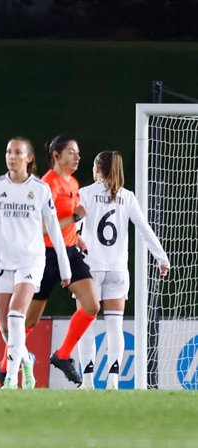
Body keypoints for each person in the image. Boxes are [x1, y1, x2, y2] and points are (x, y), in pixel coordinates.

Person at [0, 138, 71, 389]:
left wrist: (64, 266)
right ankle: (26, 359)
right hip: (0, 260)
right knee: (6, 328)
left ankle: (11, 378)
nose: (11, 156)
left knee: (17, 313)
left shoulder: (39, 189)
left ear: (29, 158)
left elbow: (53, 229)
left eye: (17, 152)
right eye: (8, 152)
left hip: (30, 260)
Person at [76, 150, 170, 389]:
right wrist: (162, 258)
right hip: (118, 269)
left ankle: (87, 380)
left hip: (90, 269)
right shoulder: (127, 197)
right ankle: (114, 381)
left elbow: (72, 226)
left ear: (97, 168)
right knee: (114, 325)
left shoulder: (85, 194)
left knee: (85, 323)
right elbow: (144, 228)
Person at [21, 135, 101, 386]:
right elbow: (42, 230)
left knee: (92, 305)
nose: (77, 157)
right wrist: (74, 220)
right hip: (45, 255)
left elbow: (66, 222)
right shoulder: (46, 185)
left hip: (69, 252)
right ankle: (5, 366)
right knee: (29, 321)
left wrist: (76, 237)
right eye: (71, 152)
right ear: (56, 156)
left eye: (77, 153)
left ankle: (63, 354)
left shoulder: (74, 182)